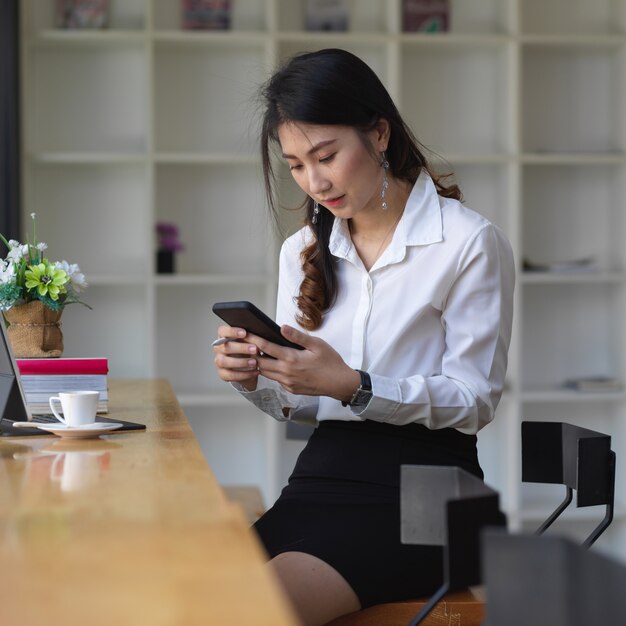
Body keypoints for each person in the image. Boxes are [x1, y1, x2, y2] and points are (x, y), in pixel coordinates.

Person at [213, 48, 515, 626]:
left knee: (253, 612)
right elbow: (298, 405)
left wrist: (354, 385)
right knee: (199, 599)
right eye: (297, 164)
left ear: (379, 133)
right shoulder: (301, 250)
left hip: (426, 496)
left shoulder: (469, 242)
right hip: (320, 477)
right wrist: (256, 377)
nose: (314, 180)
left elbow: (475, 399)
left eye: (326, 155)